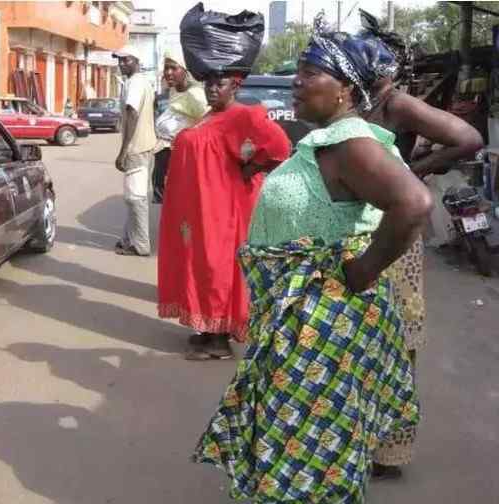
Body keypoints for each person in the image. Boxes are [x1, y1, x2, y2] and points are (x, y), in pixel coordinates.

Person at [192, 16, 433, 503]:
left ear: (344, 89)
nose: (295, 82)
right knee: (300, 449)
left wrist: (363, 270)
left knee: (308, 455)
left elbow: (414, 203)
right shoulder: (327, 143)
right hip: (299, 320)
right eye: (297, 70)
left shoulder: (350, 145)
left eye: (310, 72)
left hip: (322, 328)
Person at [358, 10, 484, 478]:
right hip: (359, 229)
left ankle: (390, 448)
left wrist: (417, 171)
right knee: (360, 337)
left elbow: (468, 138)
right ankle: (356, 436)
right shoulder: (360, 101)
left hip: (398, 231)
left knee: (398, 337)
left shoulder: (396, 104)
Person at [157, 71, 290, 360]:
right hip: (199, 209)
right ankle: (207, 329)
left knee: (216, 267)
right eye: (208, 83)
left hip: (222, 208)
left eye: (220, 84)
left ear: (235, 86)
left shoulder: (243, 116)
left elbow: (279, 147)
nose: (212, 89)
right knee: (200, 264)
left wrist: (249, 170)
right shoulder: (210, 115)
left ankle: (219, 340)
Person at [113, 44, 157, 256]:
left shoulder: (135, 83)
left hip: (137, 148)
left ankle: (140, 245)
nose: (122, 64)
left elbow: (132, 114)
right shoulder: (141, 82)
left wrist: (123, 151)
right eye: (120, 60)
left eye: (126, 60)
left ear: (137, 62)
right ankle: (128, 238)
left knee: (135, 197)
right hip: (145, 145)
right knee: (133, 195)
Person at [152, 46, 208, 204]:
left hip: (182, 165)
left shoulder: (195, 94)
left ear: (185, 70)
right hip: (166, 165)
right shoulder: (175, 92)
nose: (168, 72)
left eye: (173, 68)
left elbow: (209, 126)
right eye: (166, 68)